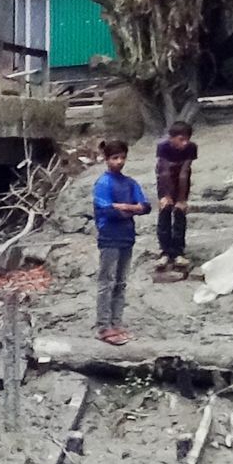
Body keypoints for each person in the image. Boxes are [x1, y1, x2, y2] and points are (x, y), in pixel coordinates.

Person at [89, 138, 147, 344]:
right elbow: (105, 209)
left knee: (121, 282)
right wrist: (131, 208)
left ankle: (117, 322)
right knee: (107, 281)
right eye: (115, 158)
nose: (119, 162)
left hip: (126, 236)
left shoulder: (130, 183)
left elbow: (146, 205)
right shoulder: (103, 183)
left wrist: (122, 207)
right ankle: (103, 326)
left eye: (122, 157)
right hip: (109, 236)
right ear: (106, 159)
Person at [153, 119, 198, 279]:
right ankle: (165, 251)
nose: (185, 143)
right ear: (171, 138)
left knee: (180, 213)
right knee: (165, 211)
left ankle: (178, 251)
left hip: (182, 180)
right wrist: (165, 196)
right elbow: (164, 171)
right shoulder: (163, 147)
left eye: (187, 139)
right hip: (165, 179)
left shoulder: (191, 148)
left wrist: (181, 199)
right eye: (181, 140)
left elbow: (184, 172)